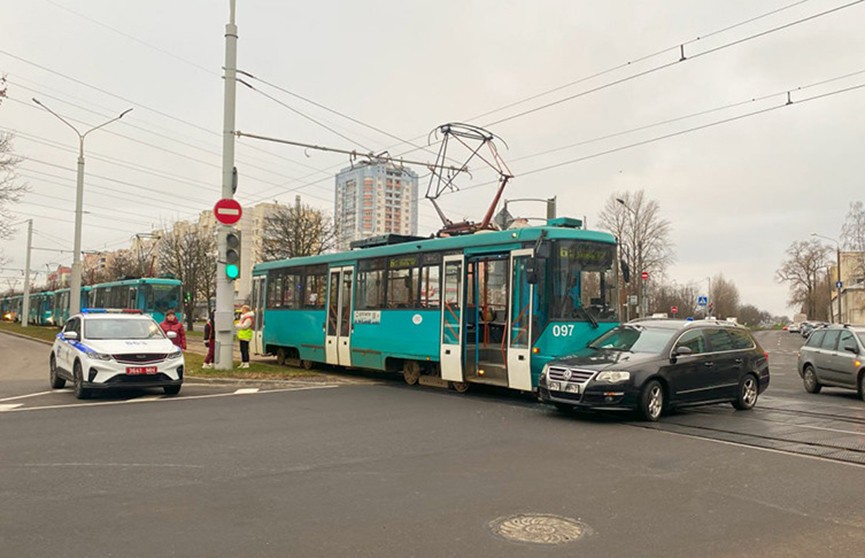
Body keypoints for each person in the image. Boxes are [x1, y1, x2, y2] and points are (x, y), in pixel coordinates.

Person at [235, 304, 254, 368]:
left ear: (246, 310)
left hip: (246, 336)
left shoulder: (248, 318)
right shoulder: (244, 317)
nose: (241, 311)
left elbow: (245, 326)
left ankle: (246, 362)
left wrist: (237, 326)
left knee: (245, 350)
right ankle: (243, 362)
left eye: (243, 309)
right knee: (242, 350)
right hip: (242, 336)